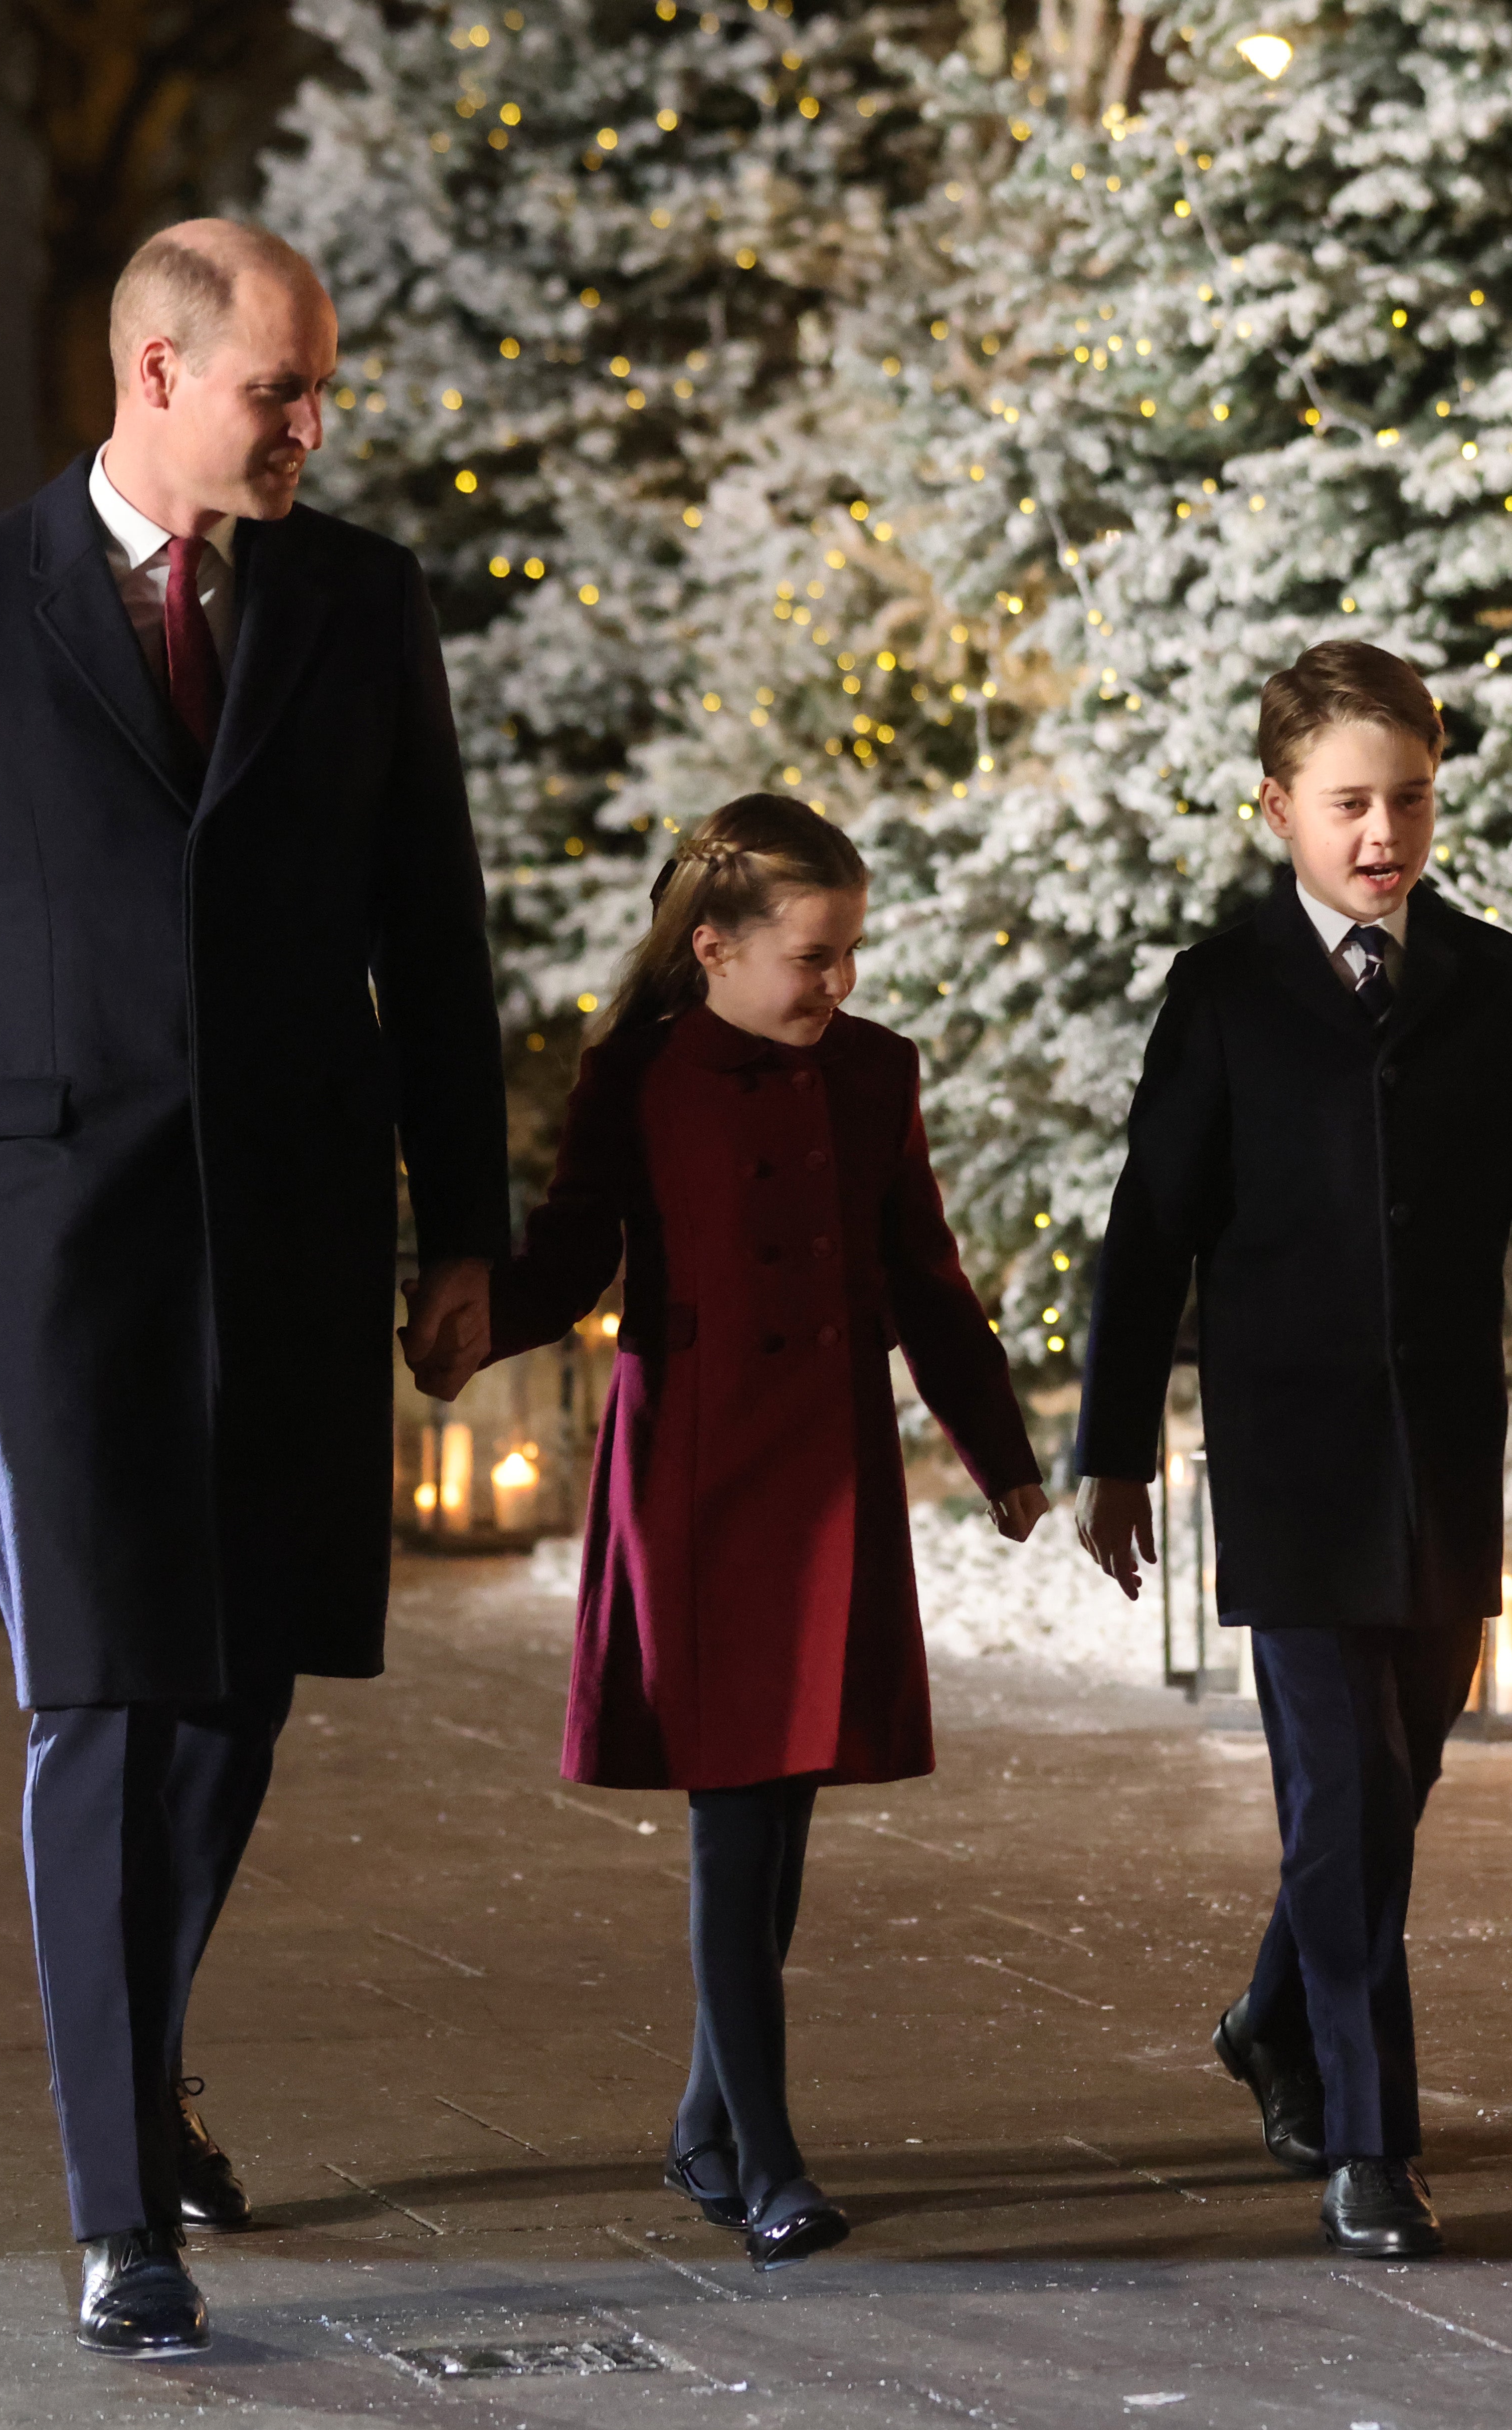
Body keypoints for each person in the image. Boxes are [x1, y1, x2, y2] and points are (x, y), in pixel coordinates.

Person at [0, 219, 510, 2358]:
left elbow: (437, 934)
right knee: (102, 1687)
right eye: (278, 389)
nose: (313, 425)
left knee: (246, 1677)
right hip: (50, 1228)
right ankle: (122, 2206)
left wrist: (461, 1226)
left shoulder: (360, 600)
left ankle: (144, 2032)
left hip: (296, 1216)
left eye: (319, 392)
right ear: (152, 371)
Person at [1073, 641, 1512, 2261]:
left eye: (1407, 798)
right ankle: (1367, 2134)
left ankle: (1272, 2011)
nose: (1381, 832)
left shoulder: (1493, 979)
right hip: (1290, 1460)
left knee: (1393, 1776)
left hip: (1441, 1457)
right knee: (1340, 1790)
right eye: (1347, 803)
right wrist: (1114, 1448)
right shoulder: (1224, 994)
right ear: (1279, 812)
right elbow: (1146, 1237)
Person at [432, 795, 1049, 2272]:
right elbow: (577, 1251)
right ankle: (764, 2155)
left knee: (782, 1820)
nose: (835, 986)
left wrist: (1006, 1454)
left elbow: (926, 1280)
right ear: (712, 949)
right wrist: (474, 1328)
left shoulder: (871, 1075)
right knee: (736, 1816)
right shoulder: (637, 1077)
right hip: (698, 1474)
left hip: (826, 1469)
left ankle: (713, 2121)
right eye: (812, 957)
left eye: (848, 957)